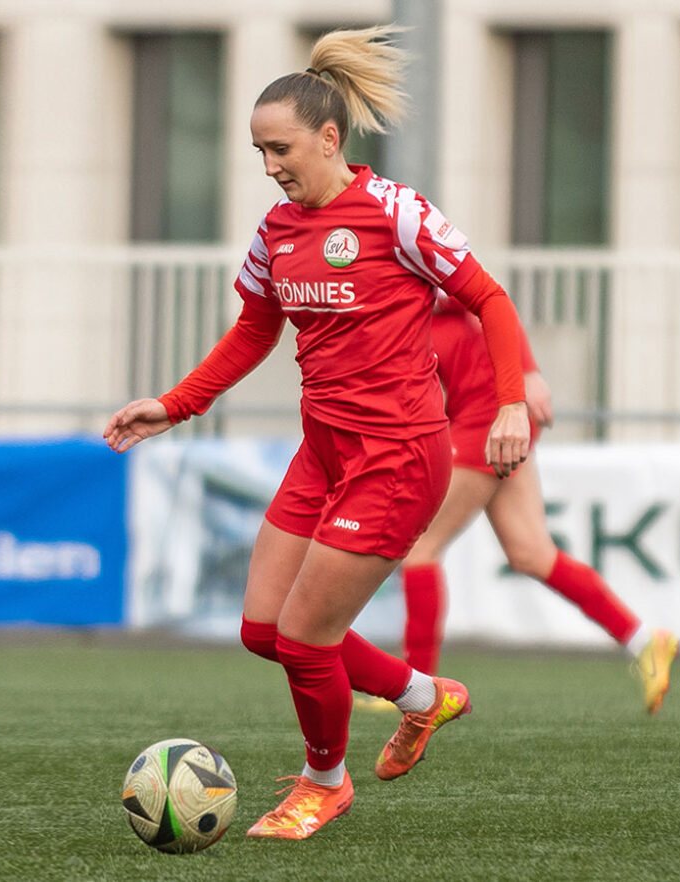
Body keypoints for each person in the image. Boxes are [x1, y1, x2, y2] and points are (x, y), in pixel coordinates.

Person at [103, 25, 531, 841]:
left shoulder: (396, 213)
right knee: (264, 631)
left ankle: (323, 784)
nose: (270, 167)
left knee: (306, 638)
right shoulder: (276, 230)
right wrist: (176, 403)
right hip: (324, 452)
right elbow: (253, 331)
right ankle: (423, 696)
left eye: (281, 149)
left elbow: (491, 301)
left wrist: (510, 401)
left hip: (399, 458)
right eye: (259, 152)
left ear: (329, 138)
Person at [392, 295, 679, 713]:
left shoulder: (413, 263)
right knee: (531, 553)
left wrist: (527, 371)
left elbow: (491, 299)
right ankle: (645, 643)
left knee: (420, 548)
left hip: (490, 419)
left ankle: (418, 691)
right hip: (491, 418)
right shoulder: (398, 300)